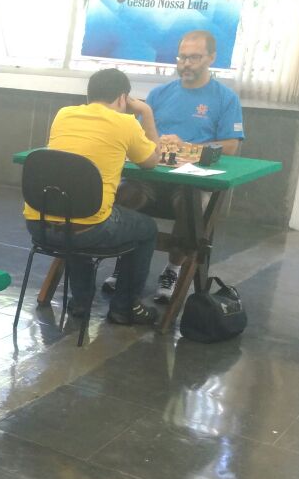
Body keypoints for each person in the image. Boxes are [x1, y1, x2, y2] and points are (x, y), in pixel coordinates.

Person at [105, 30, 245, 301]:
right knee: (124, 194)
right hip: (153, 175)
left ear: (211, 58)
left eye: (194, 57)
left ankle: (173, 268)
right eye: (182, 57)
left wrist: (186, 147)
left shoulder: (225, 99)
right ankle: (124, 262)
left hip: (193, 179)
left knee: (189, 203)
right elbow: (139, 135)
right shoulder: (159, 94)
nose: (186, 64)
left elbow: (231, 146)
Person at [26, 68, 161, 325]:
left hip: (38, 225)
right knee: (146, 228)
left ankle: (80, 303)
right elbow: (152, 161)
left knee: (76, 212)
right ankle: (125, 307)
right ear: (123, 98)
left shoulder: (63, 115)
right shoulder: (126, 122)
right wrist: (146, 112)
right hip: (88, 230)